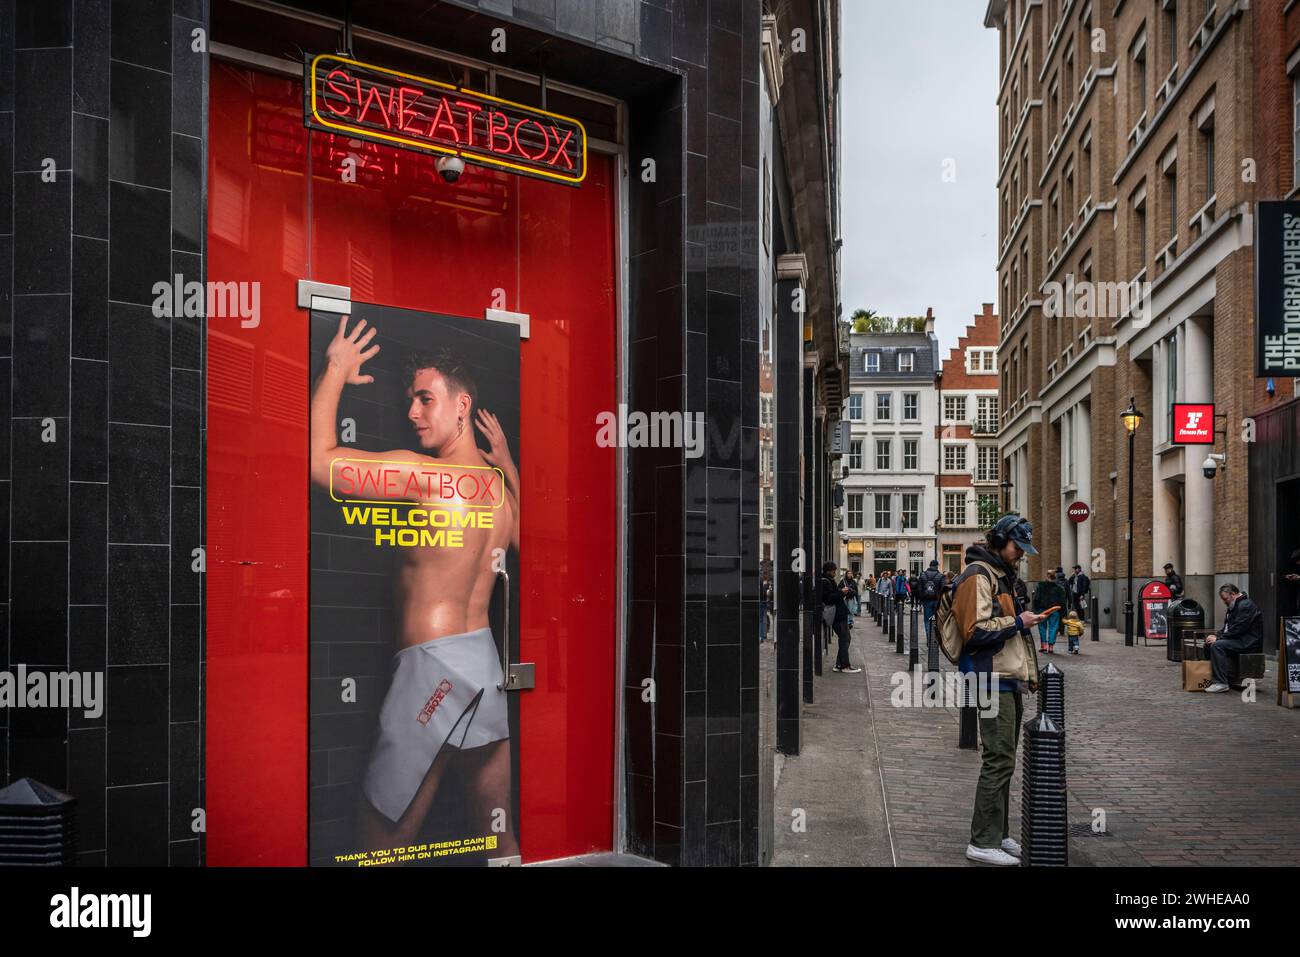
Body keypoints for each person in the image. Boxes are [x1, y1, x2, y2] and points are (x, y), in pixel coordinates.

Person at [310, 316, 520, 857]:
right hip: (485, 666)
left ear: (462, 406)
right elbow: (525, 538)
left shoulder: (423, 476)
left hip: (431, 670)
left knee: (380, 838)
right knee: (498, 840)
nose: (412, 412)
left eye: (426, 399)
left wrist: (335, 368)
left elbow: (319, 463)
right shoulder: (497, 494)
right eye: (411, 400)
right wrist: (509, 465)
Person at [950, 515, 1042, 865]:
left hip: (1005, 677)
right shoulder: (979, 575)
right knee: (998, 758)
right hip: (990, 678)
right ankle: (982, 840)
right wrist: (1019, 621)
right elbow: (974, 631)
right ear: (1000, 541)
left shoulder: (999, 574)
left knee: (1005, 759)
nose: (1020, 554)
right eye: (1017, 547)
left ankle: (998, 833)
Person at [1204, 584, 1264, 693]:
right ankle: (1221, 677)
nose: (1224, 602)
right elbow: (1227, 628)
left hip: (1248, 642)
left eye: (1225, 599)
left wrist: (1218, 639)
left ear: (1232, 594)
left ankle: (1221, 683)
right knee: (1208, 644)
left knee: (1217, 646)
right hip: (1239, 639)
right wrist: (1216, 636)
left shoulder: (1245, 605)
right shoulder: (1234, 605)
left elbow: (1238, 629)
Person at [821, 562, 861, 674]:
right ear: (828, 571)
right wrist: (842, 592)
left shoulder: (828, 580)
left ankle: (839, 665)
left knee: (845, 638)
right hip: (837, 615)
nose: (835, 572)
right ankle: (844, 666)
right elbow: (829, 598)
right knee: (845, 638)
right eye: (833, 570)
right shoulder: (825, 582)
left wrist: (842, 592)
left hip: (839, 614)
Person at [1033, 572, 1068, 654]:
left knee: (1042, 627)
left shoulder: (1040, 586)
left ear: (1047, 576)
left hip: (1042, 609)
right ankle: (1051, 647)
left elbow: (1036, 598)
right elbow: (1063, 601)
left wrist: (1035, 609)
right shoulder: (1059, 588)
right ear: (1055, 577)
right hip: (1055, 610)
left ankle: (1044, 646)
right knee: (1053, 627)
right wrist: (1063, 613)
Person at [917, 559, 947, 643]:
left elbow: (919, 589)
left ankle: (929, 639)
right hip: (937, 601)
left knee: (927, 620)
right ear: (937, 566)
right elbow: (943, 589)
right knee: (937, 620)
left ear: (929, 565)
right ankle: (935, 639)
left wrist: (922, 598)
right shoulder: (941, 576)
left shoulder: (922, 575)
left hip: (926, 601)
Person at [758, 571, 774, 642]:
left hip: (760, 601)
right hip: (763, 601)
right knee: (763, 619)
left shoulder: (758, 579)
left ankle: (761, 635)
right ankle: (763, 635)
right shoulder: (761, 579)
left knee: (761, 619)